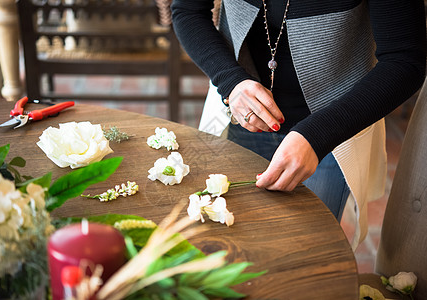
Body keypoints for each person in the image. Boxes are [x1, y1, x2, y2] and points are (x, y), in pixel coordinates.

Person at [171, 0, 426, 249]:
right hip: (239, 114)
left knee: (304, 251)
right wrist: (230, 81)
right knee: (225, 243)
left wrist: (316, 136)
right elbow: (187, 11)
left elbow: (405, 62)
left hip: (332, 134)